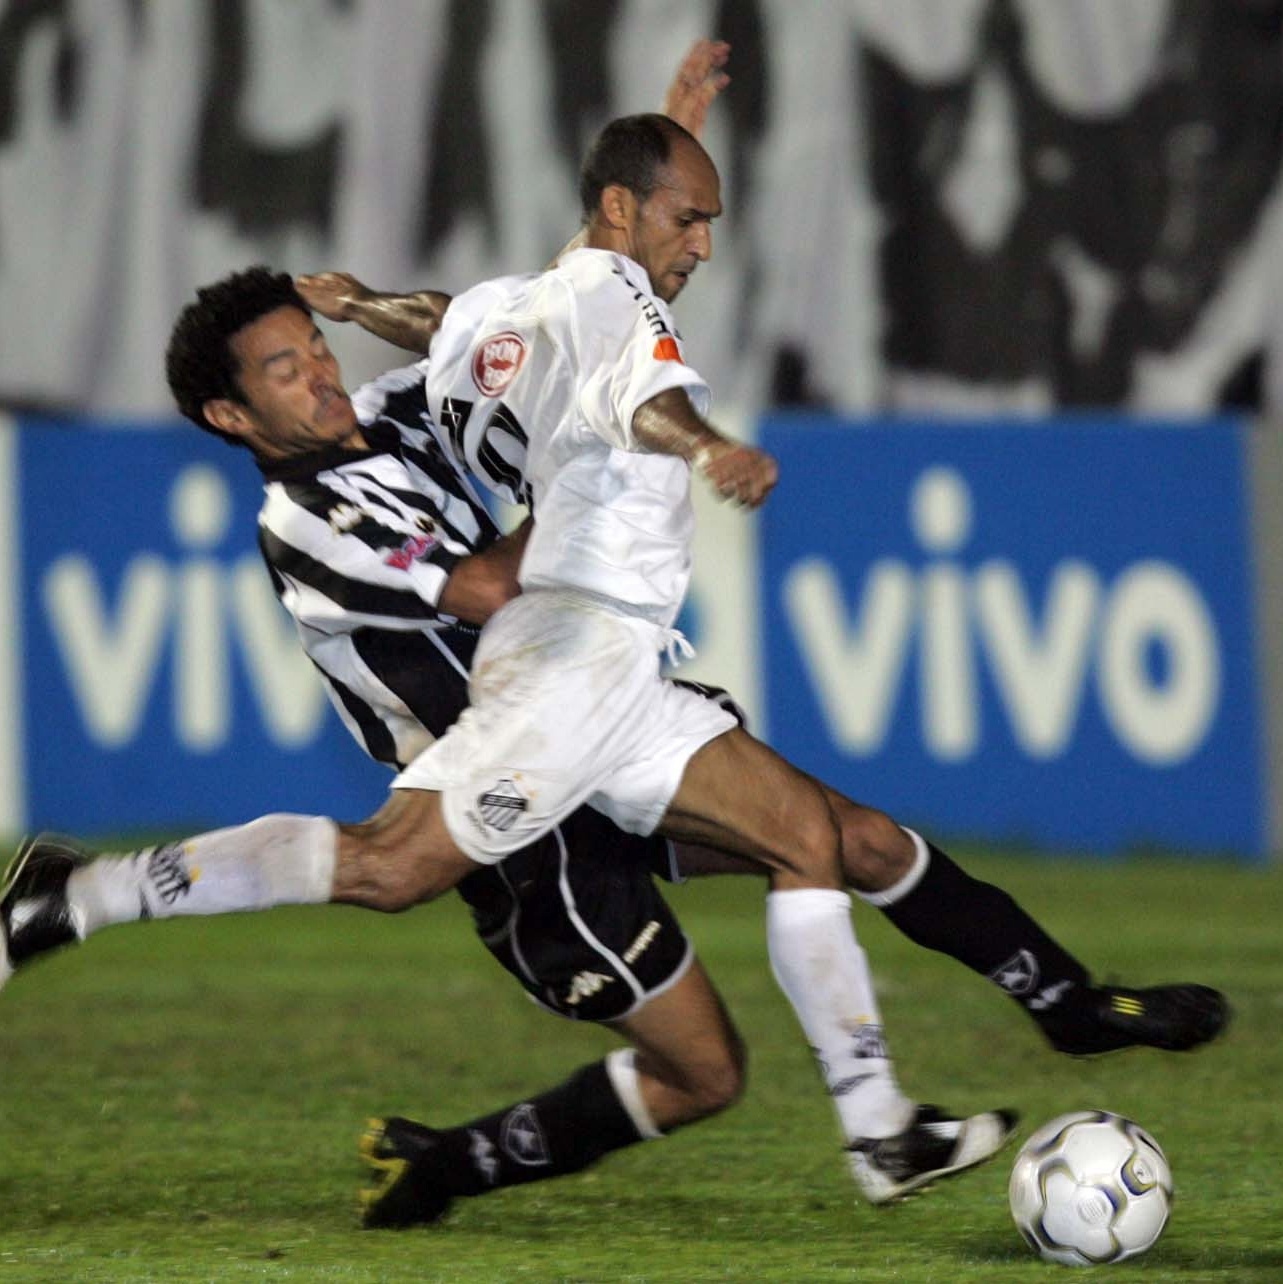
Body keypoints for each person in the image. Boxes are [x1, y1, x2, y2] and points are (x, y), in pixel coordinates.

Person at [1, 72, 1224, 1225]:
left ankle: (1041, 1018)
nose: (323, 375)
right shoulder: (306, 520)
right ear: (231, 416)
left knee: (841, 837)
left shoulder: (381, 421)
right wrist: (613, 479)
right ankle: (91, 896)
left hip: (589, 691)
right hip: (527, 791)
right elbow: (486, 582)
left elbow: (526, 337)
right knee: (608, 1011)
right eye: (285, 369)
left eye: (314, 348)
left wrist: (633, 198)